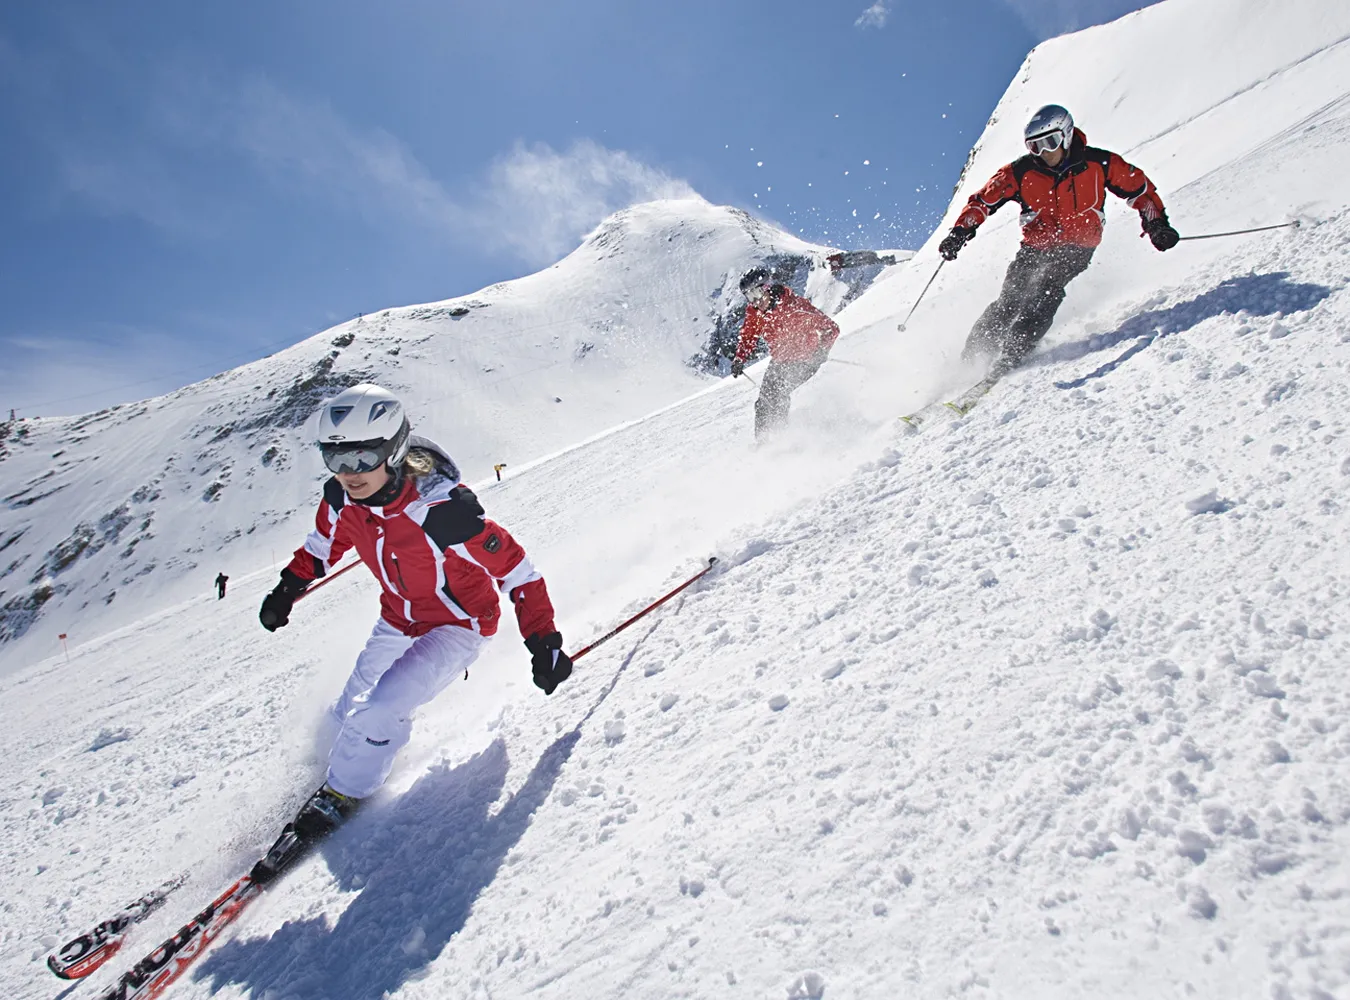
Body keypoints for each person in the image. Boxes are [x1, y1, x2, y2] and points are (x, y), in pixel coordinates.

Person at [254, 383, 572, 863]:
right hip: (397, 618)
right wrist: (287, 589)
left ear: (394, 449)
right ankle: (341, 766)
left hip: (458, 625)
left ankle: (344, 793)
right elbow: (322, 547)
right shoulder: (342, 499)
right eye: (335, 458)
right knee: (344, 715)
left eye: (363, 458)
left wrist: (543, 640)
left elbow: (517, 572)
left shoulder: (442, 511)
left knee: (383, 707)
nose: (349, 473)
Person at [937, 104, 1179, 374]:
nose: (1043, 153)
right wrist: (960, 232)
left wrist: (1157, 224)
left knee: (1046, 292)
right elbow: (982, 201)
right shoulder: (1020, 172)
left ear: (1065, 134)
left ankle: (1012, 354)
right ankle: (970, 362)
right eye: (1034, 146)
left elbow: (1140, 191)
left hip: (1078, 247)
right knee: (1010, 300)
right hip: (1035, 247)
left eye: (1049, 143)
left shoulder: (1099, 164)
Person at [731, 268, 840, 440]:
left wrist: (821, 351)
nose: (755, 301)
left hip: (806, 360)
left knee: (778, 395)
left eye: (757, 293)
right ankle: (763, 443)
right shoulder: (756, 313)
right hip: (780, 361)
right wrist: (739, 358)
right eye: (749, 296)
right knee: (763, 403)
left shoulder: (795, 306)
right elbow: (748, 335)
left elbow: (831, 328)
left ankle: (782, 440)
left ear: (767, 287)